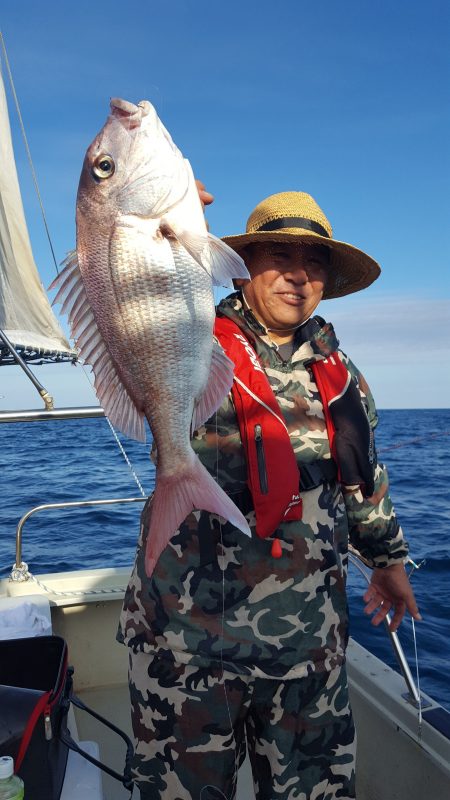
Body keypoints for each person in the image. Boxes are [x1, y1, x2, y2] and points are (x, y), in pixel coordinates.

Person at [118, 189, 421, 800]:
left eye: (314, 261)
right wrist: (151, 226)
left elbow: (363, 479)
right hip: (189, 647)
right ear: (241, 264)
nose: (297, 273)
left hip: (308, 651)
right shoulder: (192, 343)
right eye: (277, 255)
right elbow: (133, 306)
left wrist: (388, 565)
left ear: (328, 281)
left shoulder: (342, 373)